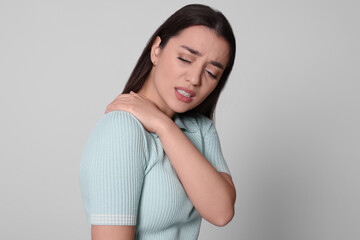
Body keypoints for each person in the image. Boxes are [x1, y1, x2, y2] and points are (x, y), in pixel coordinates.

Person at [80, 4, 236, 240]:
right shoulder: (122, 129)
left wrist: (163, 125)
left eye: (212, 73)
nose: (194, 79)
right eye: (185, 59)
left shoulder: (200, 129)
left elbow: (221, 212)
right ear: (156, 50)